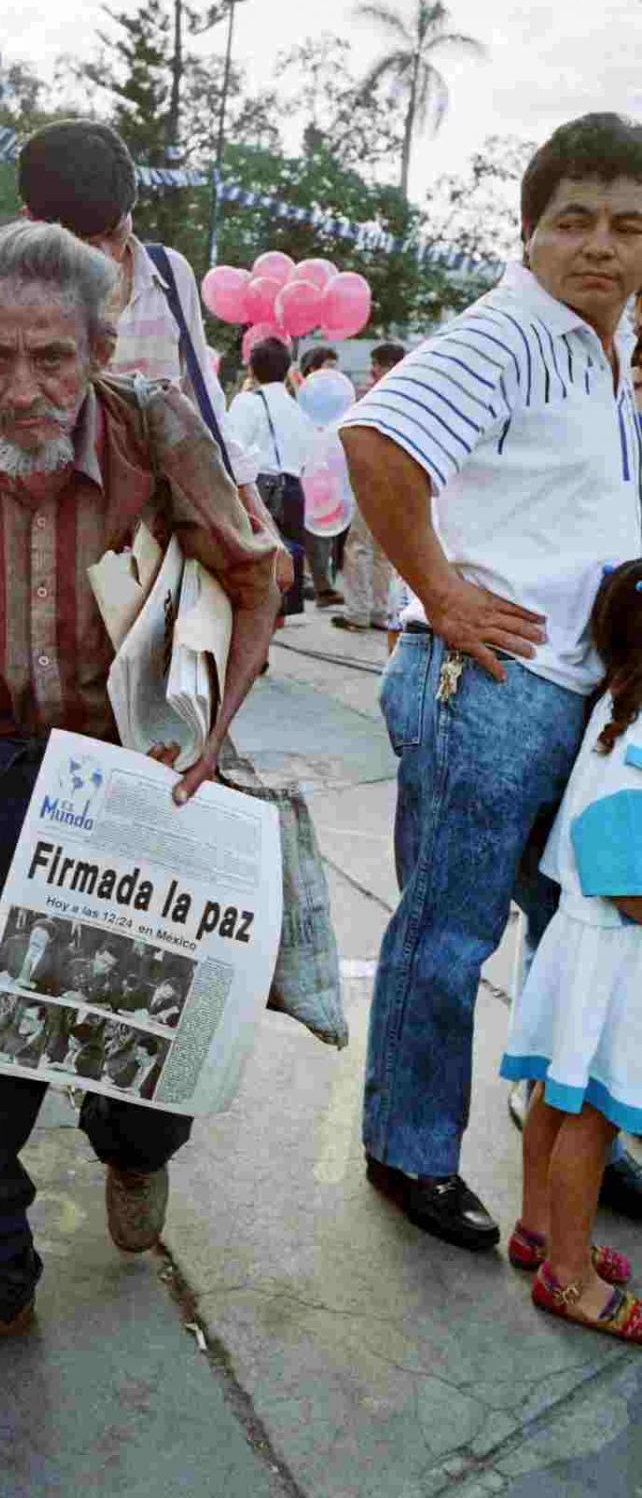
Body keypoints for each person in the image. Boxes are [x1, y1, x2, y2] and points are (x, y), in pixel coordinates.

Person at [0, 219, 278, 1392]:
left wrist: (207, 735)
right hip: (5, 761)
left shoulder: (161, 437)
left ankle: (133, 1145)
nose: (20, 387)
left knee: (143, 1027)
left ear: (102, 345)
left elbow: (255, 574)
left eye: (52, 358)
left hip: (146, 762)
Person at [338, 111, 642, 1252]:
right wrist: (442, 591)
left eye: (626, 225)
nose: (600, 246)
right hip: (486, 680)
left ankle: (562, 1131)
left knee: (576, 926)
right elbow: (377, 443)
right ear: (530, 234)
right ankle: (407, 1151)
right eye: (574, 222)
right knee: (451, 932)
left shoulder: (601, 343)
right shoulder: (510, 326)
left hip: (571, 690)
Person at [0, 120, 289, 588]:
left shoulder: (169, 275)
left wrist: (253, 514)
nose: (108, 255)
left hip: (160, 545)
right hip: (47, 545)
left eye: (117, 230)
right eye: (86, 244)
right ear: (31, 219)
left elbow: (205, 403)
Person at [500, 560, 642, 1342]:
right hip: (613, 952)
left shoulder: (609, 711)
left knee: (557, 1099)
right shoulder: (639, 739)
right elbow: (626, 874)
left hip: (576, 942)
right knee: (590, 1114)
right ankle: (570, 1276)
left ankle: (540, 1229)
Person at [226, 336, 334, 611]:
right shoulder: (299, 408)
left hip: (259, 490)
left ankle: (258, 639)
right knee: (287, 566)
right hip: (294, 490)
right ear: (287, 370)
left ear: (252, 369)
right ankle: (278, 618)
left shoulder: (246, 402)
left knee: (256, 567)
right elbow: (310, 455)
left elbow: (232, 451)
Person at [333, 343, 408, 636]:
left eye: (375, 364)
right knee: (382, 551)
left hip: (374, 478)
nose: (371, 370)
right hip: (401, 481)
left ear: (388, 366)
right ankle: (379, 611)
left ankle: (357, 612)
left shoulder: (379, 395)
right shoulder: (413, 394)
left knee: (359, 546)